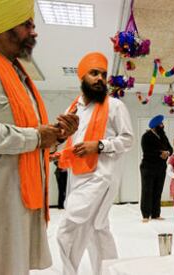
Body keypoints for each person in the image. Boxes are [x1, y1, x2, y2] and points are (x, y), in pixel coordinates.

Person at [0, 1, 79, 274]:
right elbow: (28, 135)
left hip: (19, 200)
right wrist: (36, 137)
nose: (34, 33)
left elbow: (25, 130)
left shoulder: (16, 72)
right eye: (27, 25)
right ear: (3, 26)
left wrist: (57, 135)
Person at [57, 52, 134, 275]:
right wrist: (60, 152)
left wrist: (99, 146)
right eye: (94, 73)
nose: (100, 78)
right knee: (97, 229)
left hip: (101, 177)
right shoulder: (73, 108)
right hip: (77, 176)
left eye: (103, 74)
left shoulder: (115, 106)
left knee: (68, 227)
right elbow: (70, 139)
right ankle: (109, 271)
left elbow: (127, 139)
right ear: (82, 77)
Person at [140, 114, 173, 222]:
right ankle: (146, 214)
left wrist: (167, 152)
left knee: (158, 190)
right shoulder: (146, 136)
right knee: (147, 191)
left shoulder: (163, 136)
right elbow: (147, 151)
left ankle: (155, 214)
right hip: (148, 168)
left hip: (160, 167)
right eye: (161, 124)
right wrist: (161, 153)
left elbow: (170, 149)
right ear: (155, 126)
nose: (163, 126)